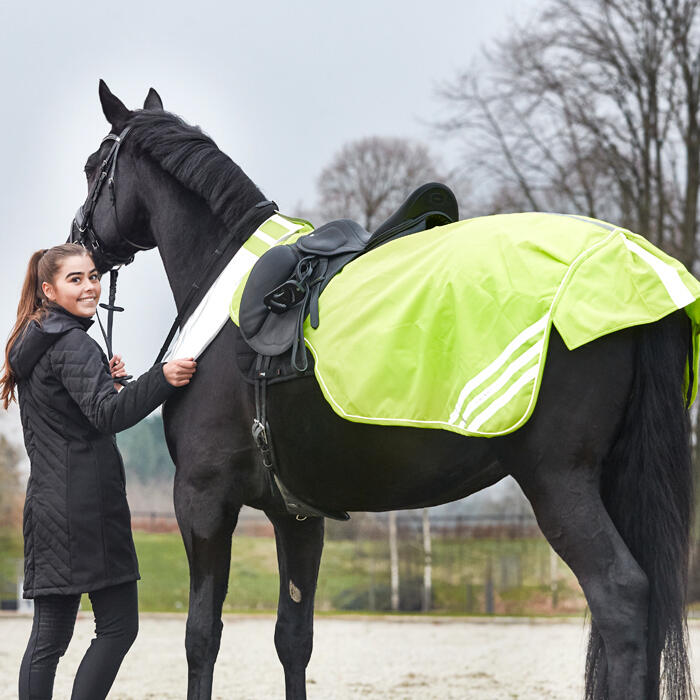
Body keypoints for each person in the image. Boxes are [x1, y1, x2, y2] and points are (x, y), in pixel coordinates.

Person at [0, 243, 197, 700]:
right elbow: (108, 415)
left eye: (92, 276)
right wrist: (161, 379)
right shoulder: (71, 342)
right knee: (118, 627)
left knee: (48, 640)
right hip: (86, 509)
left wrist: (100, 379)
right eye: (76, 279)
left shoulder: (38, 341)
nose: (90, 286)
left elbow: (76, 408)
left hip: (48, 506)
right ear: (49, 290)